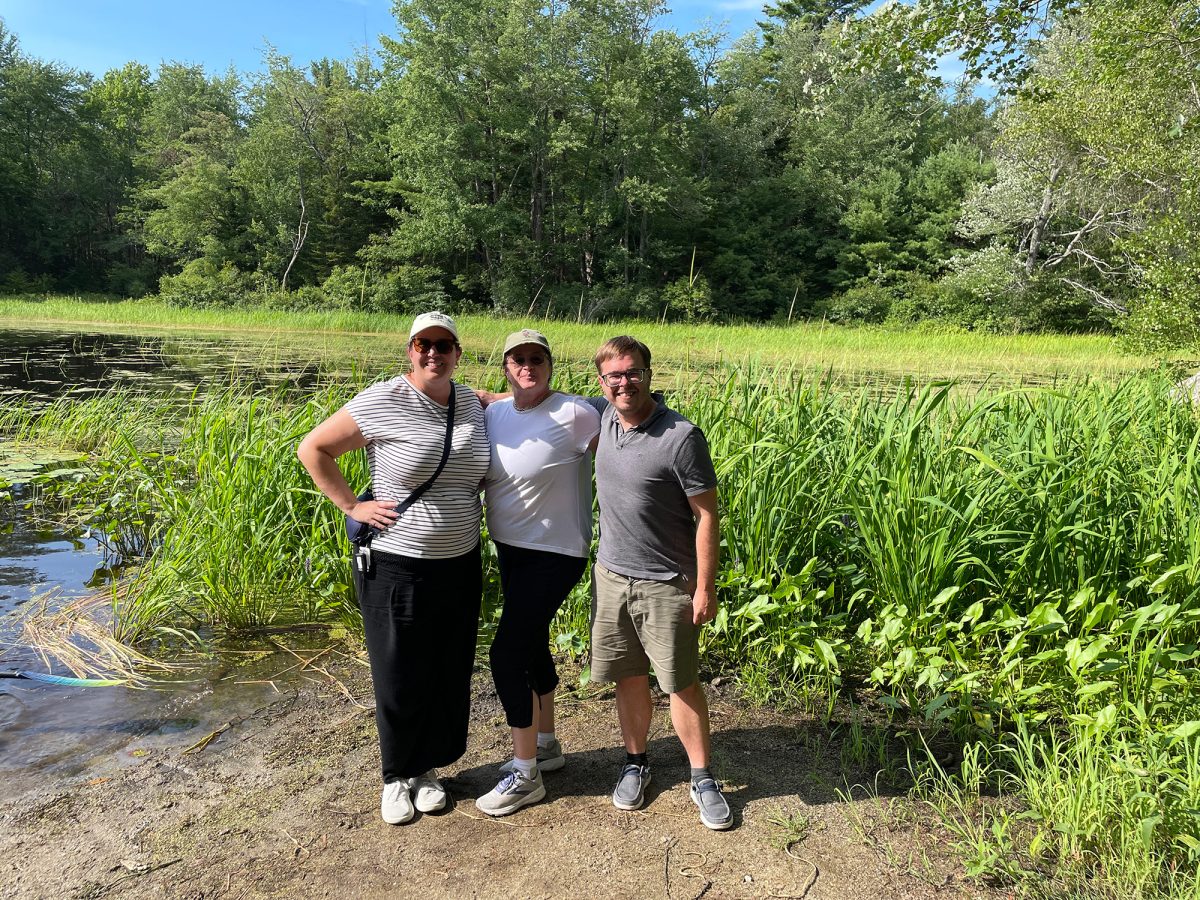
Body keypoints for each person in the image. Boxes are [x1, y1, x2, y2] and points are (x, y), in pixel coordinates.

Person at [297, 311, 489, 826]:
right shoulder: (384, 400)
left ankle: (428, 770)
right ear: (410, 350)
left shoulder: (470, 401)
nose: (434, 353)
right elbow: (313, 448)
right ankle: (394, 777)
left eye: (443, 345)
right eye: (423, 344)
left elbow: (519, 403)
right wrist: (352, 507)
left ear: (457, 353)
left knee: (447, 669)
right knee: (399, 670)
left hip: (460, 561)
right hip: (397, 563)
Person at [587, 335, 733, 831]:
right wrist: (476, 399)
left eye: (633, 372)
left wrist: (705, 587)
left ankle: (702, 777)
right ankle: (636, 762)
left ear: (649, 374)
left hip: (667, 584)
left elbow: (707, 515)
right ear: (602, 381)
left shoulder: (680, 436)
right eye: (614, 375)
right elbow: (539, 401)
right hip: (610, 577)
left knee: (680, 682)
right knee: (628, 677)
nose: (624, 382)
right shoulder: (603, 416)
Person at [474, 329, 601, 817]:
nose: (528, 366)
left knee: (506, 654)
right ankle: (546, 744)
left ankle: (524, 775)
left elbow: (621, 432)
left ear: (551, 364)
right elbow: (482, 399)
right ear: (506, 366)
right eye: (518, 359)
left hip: (557, 553)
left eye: (537, 359)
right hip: (510, 549)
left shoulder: (574, 413)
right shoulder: (496, 411)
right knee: (531, 641)